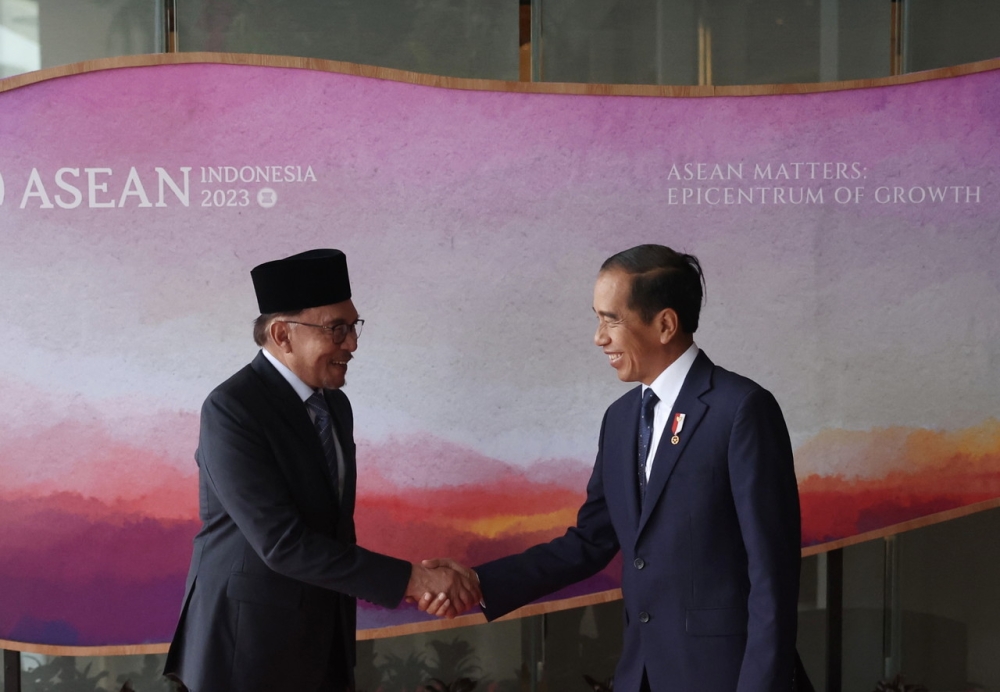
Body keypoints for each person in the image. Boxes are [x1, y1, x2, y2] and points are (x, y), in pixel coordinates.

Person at [423, 244, 802, 692]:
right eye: (598, 319)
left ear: (665, 324)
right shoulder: (620, 419)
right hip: (639, 673)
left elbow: (773, 575)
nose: (599, 337)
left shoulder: (740, 410)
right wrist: (479, 581)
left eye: (612, 320)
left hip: (722, 676)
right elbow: (590, 541)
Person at [165, 249, 479, 692]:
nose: (352, 344)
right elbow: (282, 543)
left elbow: (332, 526)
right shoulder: (232, 409)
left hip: (324, 637)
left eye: (353, 327)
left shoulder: (335, 405)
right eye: (336, 329)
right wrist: (413, 579)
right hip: (248, 645)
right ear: (282, 334)